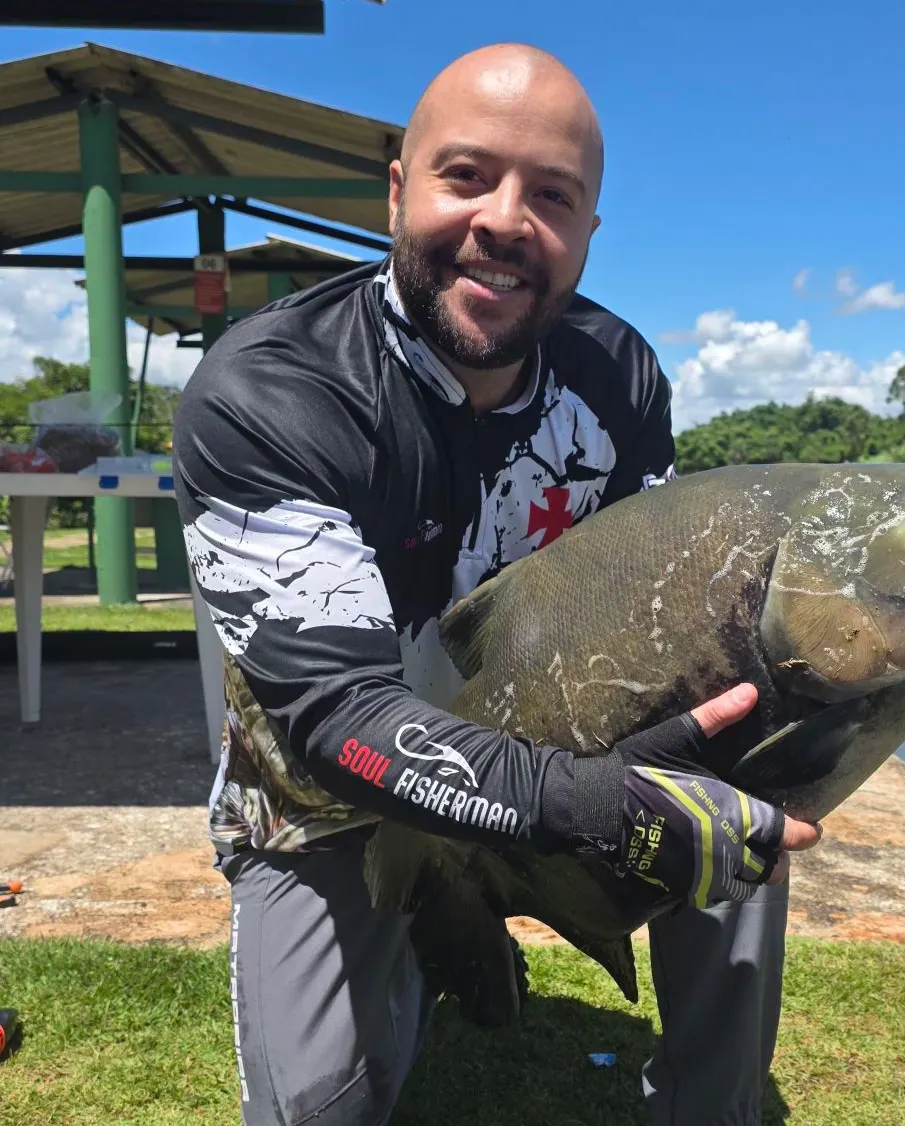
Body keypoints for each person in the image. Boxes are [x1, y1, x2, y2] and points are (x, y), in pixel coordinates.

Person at [173, 42, 821, 1126]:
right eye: (466, 175)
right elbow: (337, 716)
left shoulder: (618, 377)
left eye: (552, 195)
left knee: (733, 818)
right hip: (323, 787)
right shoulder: (269, 394)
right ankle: (427, 941)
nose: (507, 219)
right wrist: (586, 805)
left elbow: (660, 619)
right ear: (397, 189)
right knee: (320, 1104)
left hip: (547, 730)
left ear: (587, 234)